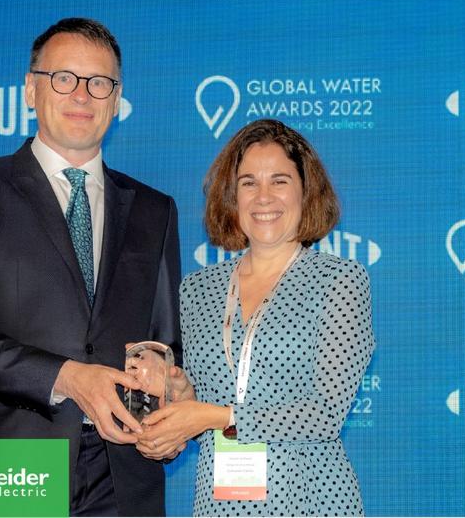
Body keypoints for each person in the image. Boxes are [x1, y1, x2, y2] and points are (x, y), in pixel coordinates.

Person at [0, 18, 181, 517]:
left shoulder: (155, 210)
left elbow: (164, 345)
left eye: (99, 82)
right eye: (64, 78)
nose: (82, 94)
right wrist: (67, 377)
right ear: (30, 90)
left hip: (122, 478)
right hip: (5, 471)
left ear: (116, 99)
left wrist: (170, 394)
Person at [135, 119, 375, 516]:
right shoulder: (197, 289)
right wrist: (180, 400)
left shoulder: (340, 280)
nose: (264, 197)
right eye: (249, 183)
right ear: (231, 196)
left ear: (305, 191)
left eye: (279, 181)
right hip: (220, 504)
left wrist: (217, 415)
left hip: (310, 499)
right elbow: (204, 406)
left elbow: (325, 414)